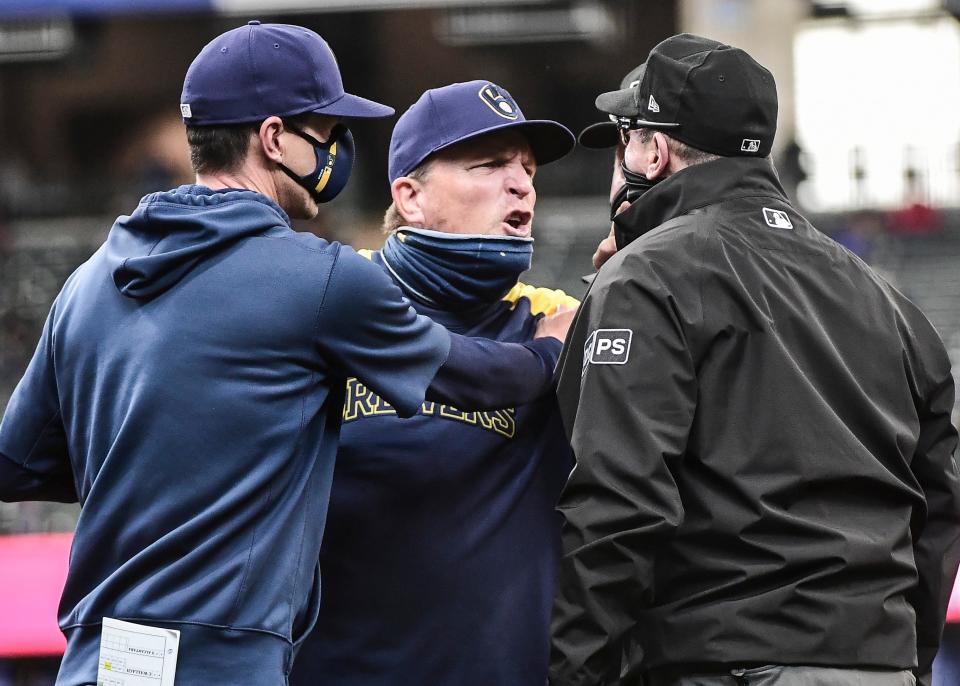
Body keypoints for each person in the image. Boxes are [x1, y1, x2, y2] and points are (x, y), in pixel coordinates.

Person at [0, 23, 573, 686]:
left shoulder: (91, 279)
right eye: (326, 131)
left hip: (101, 657)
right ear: (273, 139)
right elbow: (476, 379)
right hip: (224, 659)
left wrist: (170, 451)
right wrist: (553, 346)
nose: (338, 150)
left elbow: (16, 467)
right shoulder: (314, 276)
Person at [549, 33, 960, 686]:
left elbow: (620, 506)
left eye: (624, 139)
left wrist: (578, 673)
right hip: (877, 663)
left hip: (730, 662)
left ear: (653, 150)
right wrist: (907, 663)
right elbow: (937, 510)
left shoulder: (650, 275)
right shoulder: (886, 295)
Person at [289, 80, 578, 686]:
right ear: (410, 196)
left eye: (526, 168)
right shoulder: (320, 306)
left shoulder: (558, 319)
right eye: (490, 164)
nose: (521, 183)